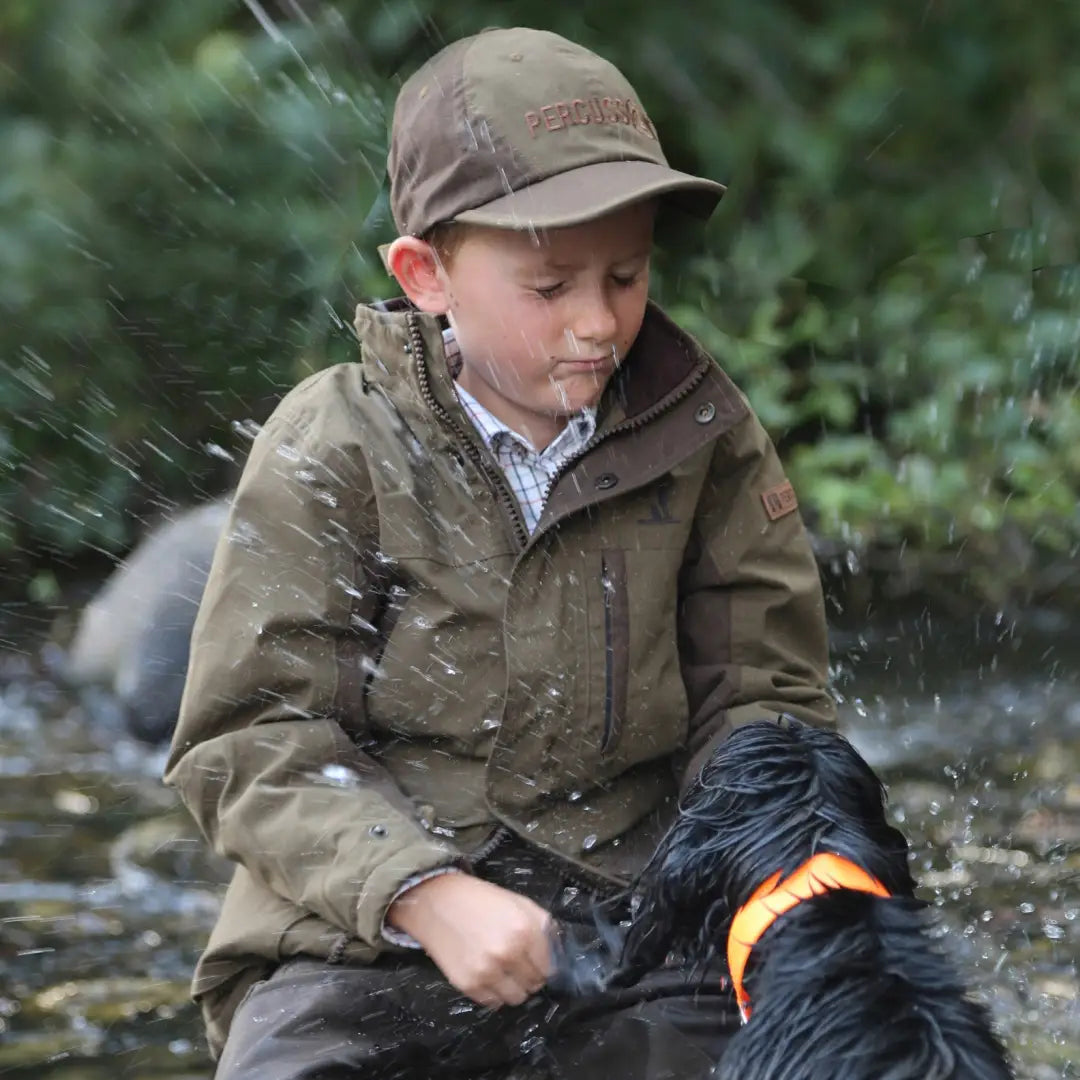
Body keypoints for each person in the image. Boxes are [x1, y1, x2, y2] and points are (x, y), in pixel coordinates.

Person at [165, 25, 835, 1080]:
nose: (598, 323)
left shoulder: (705, 431)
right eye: (549, 286)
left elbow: (765, 696)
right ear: (425, 273)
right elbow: (253, 737)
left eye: (626, 274)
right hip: (357, 938)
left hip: (636, 922)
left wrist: (774, 873)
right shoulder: (333, 443)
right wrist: (424, 896)